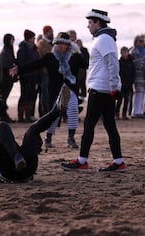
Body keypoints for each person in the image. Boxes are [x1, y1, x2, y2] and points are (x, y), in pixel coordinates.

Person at [61, 9, 126, 172]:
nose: (88, 25)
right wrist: (114, 87)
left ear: (99, 23)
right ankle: (118, 161)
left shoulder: (104, 39)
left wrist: (114, 87)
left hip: (101, 89)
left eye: (90, 22)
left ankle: (82, 160)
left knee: (89, 125)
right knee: (110, 126)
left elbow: (113, 63)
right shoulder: (104, 38)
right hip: (105, 88)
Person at [11, 32, 87, 149]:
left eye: (63, 44)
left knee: (72, 110)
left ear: (68, 45)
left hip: (70, 89)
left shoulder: (75, 57)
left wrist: (80, 51)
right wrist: (19, 69)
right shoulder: (50, 57)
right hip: (56, 91)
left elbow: (87, 64)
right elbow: (35, 65)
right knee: (54, 115)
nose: (60, 46)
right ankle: (49, 137)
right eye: (58, 43)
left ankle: (71, 138)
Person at [16, 29, 39, 122]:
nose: (34, 39)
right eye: (33, 37)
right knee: (24, 95)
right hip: (25, 76)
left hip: (33, 75)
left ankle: (28, 115)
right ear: (29, 38)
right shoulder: (22, 49)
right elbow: (20, 63)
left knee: (31, 96)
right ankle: (21, 116)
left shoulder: (34, 49)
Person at [36, 25, 54, 116]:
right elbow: (42, 58)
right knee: (44, 93)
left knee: (51, 93)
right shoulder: (41, 43)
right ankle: (44, 112)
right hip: (45, 72)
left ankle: (50, 111)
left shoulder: (53, 43)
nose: (52, 33)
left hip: (53, 73)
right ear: (46, 33)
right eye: (50, 32)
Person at [116, 46, 136, 120]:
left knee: (127, 99)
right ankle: (117, 113)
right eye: (123, 52)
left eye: (126, 52)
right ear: (121, 53)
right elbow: (117, 73)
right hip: (121, 84)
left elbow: (133, 73)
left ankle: (124, 114)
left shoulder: (131, 62)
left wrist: (132, 81)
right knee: (119, 99)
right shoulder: (119, 62)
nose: (125, 54)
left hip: (129, 84)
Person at [0, 33, 16, 119]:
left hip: (9, 77)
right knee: (3, 96)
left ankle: (3, 114)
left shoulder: (9, 51)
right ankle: (3, 114)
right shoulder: (5, 52)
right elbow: (5, 65)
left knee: (4, 97)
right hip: (5, 77)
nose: (12, 41)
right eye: (11, 40)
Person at [129, 35, 145, 118]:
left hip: (143, 75)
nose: (142, 43)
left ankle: (141, 110)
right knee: (138, 92)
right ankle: (136, 111)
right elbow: (135, 63)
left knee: (142, 93)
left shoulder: (143, 51)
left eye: (143, 41)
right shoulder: (134, 51)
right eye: (140, 41)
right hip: (137, 75)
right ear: (136, 42)